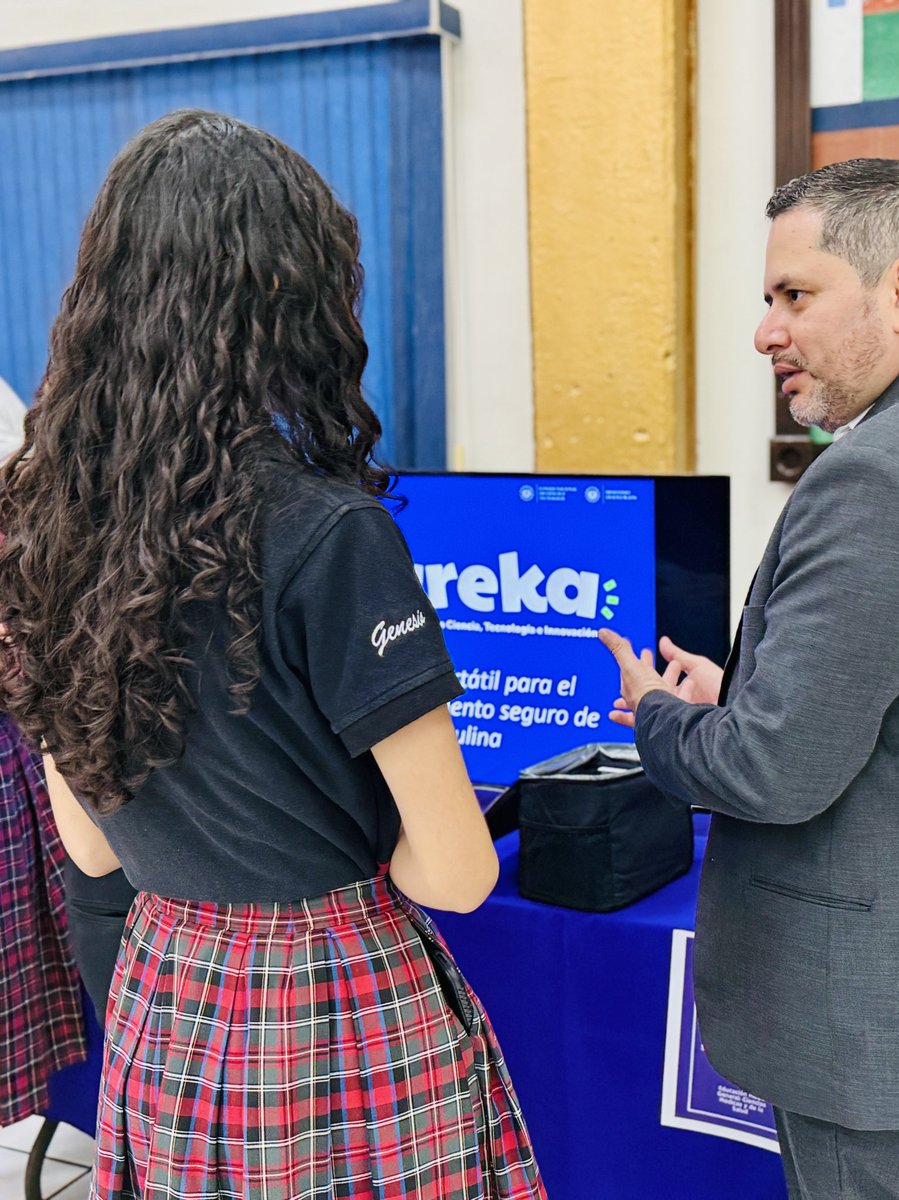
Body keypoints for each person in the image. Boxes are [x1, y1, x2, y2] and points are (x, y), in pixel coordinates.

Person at [0, 109, 545, 1200]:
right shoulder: (328, 534)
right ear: (287, 305)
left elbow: (91, 848)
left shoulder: (37, 526)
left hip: (166, 1004)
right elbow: (460, 871)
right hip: (334, 1008)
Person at [600, 158, 899, 1200]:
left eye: (794, 296)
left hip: (872, 1021)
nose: (767, 331)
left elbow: (771, 773)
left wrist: (656, 716)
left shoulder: (880, 473)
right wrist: (749, 692)